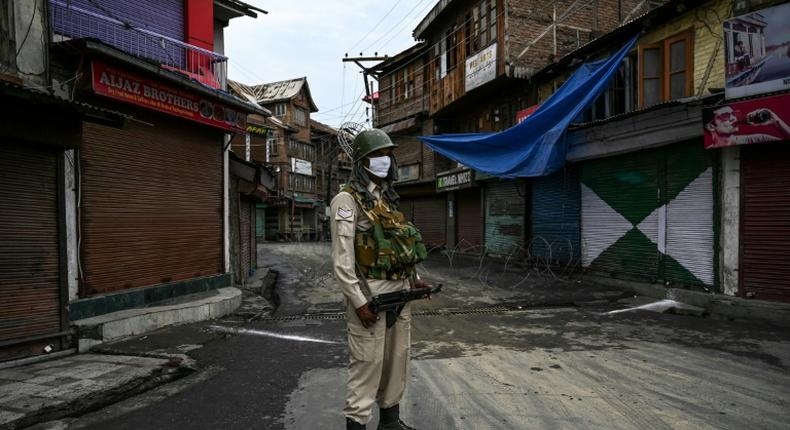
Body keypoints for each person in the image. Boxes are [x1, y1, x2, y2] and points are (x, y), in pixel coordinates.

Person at [331, 129, 429, 430]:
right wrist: (359, 302)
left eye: (387, 154)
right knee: (367, 365)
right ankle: (357, 424)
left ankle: (390, 423)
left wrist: (414, 279)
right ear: (362, 161)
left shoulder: (386, 200)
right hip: (370, 294)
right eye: (376, 155)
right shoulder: (346, 201)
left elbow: (398, 247)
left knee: (397, 360)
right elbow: (342, 262)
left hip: (399, 292)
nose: (384, 160)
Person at [704, 106, 790, 148]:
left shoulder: (759, 139)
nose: (733, 118)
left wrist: (776, 122)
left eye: (734, 114)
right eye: (726, 116)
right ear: (711, 126)